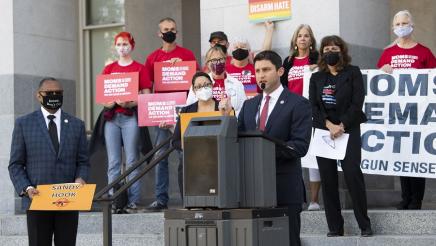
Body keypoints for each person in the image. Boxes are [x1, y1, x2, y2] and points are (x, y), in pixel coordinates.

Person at [238, 50, 312, 246]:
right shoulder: (249, 106)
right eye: (257, 70)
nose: (261, 75)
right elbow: (237, 140)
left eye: (266, 70)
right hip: (252, 190)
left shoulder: (298, 104)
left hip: (284, 188)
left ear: (280, 71)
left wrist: (263, 153)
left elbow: (299, 146)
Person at [8, 78, 90, 246]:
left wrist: (80, 178)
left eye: (58, 93)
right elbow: (15, 164)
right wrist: (27, 188)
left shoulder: (76, 125)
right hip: (37, 201)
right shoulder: (24, 124)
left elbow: (83, 161)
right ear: (39, 96)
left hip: (68, 201)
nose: (54, 96)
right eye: (50, 93)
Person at [309, 35, 372, 237]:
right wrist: (329, 124)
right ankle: (335, 227)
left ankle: (364, 224)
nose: (330, 52)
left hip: (348, 129)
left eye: (334, 49)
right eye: (326, 49)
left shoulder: (353, 72)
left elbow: (357, 102)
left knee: (353, 175)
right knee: (328, 180)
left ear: (342, 51)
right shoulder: (316, 77)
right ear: (322, 54)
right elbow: (313, 106)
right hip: (324, 130)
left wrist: (341, 125)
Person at [377, 10, 436, 210]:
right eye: (398, 23)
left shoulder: (424, 52)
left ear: (412, 25)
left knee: (416, 155)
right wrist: (382, 71)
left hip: (419, 113)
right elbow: (377, 83)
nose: (401, 26)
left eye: (405, 22)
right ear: (394, 27)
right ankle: (405, 197)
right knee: (401, 154)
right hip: (396, 113)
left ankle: (416, 199)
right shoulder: (387, 53)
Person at [144, 17, 199, 211]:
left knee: (186, 156)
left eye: (173, 29)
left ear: (177, 32)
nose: (170, 32)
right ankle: (161, 200)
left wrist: (182, 65)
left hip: (182, 113)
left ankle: (190, 198)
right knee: (160, 158)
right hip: (161, 113)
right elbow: (146, 87)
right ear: (159, 33)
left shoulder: (187, 54)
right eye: (166, 29)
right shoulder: (152, 58)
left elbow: (197, 80)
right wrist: (152, 112)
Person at [99, 31, 151, 212]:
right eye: (119, 44)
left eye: (125, 44)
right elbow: (103, 98)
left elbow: (147, 96)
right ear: (115, 46)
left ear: (132, 46)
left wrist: (130, 102)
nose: (122, 47)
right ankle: (114, 200)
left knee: (131, 160)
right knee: (113, 162)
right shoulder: (109, 69)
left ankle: (133, 201)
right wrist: (112, 102)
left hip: (130, 117)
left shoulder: (140, 68)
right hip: (112, 118)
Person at [280, 24, 321, 211]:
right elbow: (282, 88)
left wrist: (317, 69)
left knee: (312, 158)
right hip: (291, 112)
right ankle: (296, 197)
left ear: (311, 40)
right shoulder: (288, 62)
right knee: (293, 154)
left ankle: (314, 200)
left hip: (311, 113)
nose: (303, 39)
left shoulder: (317, 61)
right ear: (295, 40)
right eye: (299, 36)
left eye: (306, 36)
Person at [172, 72, 233, 196]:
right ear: (194, 90)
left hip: (218, 160)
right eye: (198, 86)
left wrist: (227, 114)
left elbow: (232, 134)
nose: (203, 88)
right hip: (193, 161)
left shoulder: (222, 107)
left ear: (212, 86)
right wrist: (189, 146)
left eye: (206, 85)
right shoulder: (186, 111)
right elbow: (175, 141)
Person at [186, 46, 247, 116]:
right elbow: (189, 110)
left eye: (221, 59)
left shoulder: (236, 84)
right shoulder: (198, 84)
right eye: (214, 60)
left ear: (225, 61)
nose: (218, 63)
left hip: (231, 123)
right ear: (207, 64)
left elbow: (243, 109)